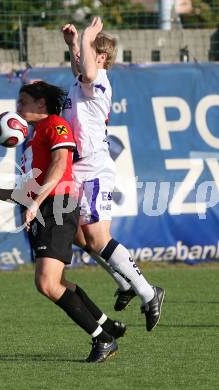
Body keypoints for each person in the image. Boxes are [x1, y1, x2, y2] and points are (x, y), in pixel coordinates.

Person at [0, 81, 126, 363]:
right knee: (58, 282)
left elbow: (61, 163)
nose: (18, 107)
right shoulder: (32, 141)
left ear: (41, 104)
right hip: (44, 212)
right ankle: (106, 326)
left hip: (58, 207)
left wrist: (36, 203)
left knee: (47, 284)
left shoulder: (55, 124)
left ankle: (103, 339)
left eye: (23, 101)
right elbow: (23, 194)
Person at [62, 17, 165, 331]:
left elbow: (89, 69)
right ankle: (125, 284)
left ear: (102, 57)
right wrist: (72, 44)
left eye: (88, 51)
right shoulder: (81, 79)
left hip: (92, 169)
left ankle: (148, 292)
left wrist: (88, 36)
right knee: (81, 237)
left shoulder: (100, 77)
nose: (81, 56)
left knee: (96, 236)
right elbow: (80, 68)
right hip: (79, 171)